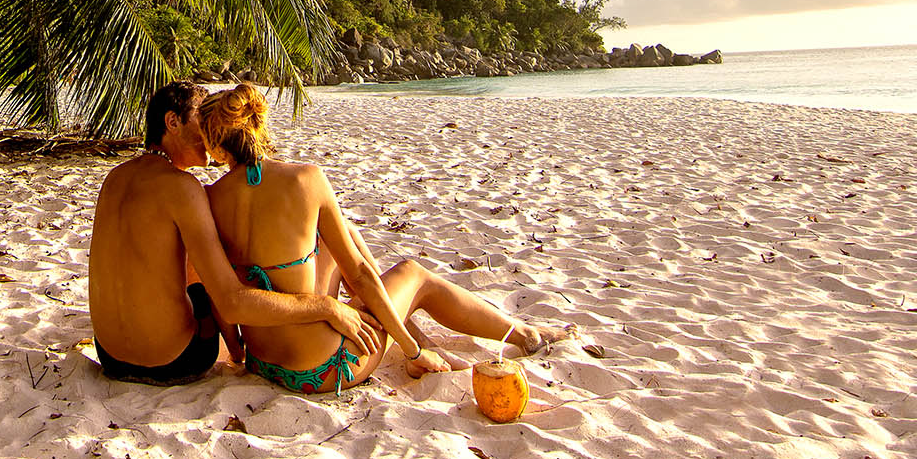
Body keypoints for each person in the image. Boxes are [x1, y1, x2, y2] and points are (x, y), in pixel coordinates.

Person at [200, 83, 574, 395]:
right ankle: (521, 334)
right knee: (415, 274)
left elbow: (219, 292)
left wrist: (237, 352)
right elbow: (360, 275)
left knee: (343, 234)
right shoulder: (304, 179)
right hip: (325, 370)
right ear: (259, 124)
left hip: (265, 363)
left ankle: (409, 329)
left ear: (215, 143)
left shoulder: (211, 198)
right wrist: (410, 354)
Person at [88, 81, 383, 384]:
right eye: (201, 120)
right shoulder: (183, 188)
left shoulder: (114, 178)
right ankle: (238, 349)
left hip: (109, 356)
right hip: (173, 362)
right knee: (209, 273)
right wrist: (325, 308)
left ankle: (237, 347)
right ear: (172, 122)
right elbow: (231, 301)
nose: (209, 132)